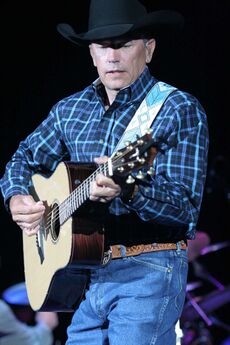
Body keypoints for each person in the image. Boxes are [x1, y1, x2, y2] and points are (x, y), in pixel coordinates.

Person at [0, 0, 209, 344]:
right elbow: (22, 158)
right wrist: (17, 197)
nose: (112, 57)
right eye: (102, 47)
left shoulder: (176, 108)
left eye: (124, 45)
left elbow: (184, 209)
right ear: (91, 54)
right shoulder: (70, 109)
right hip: (85, 278)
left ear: (149, 49)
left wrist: (129, 191)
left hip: (149, 270)